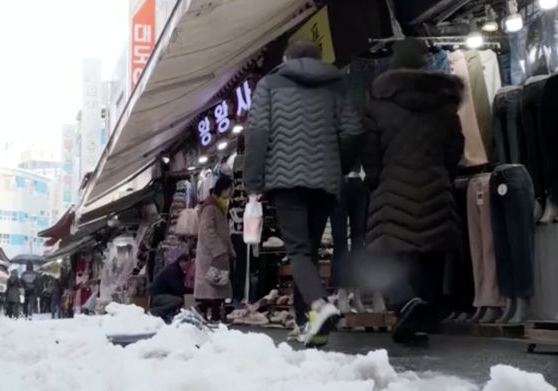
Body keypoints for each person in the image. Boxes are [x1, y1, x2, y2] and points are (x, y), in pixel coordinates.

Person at [243, 39, 363, 346]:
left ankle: (320, 307)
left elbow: (257, 133)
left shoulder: (269, 84)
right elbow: (352, 131)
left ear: (286, 58)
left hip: (285, 180)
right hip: (325, 180)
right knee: (307, 251)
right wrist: (340, 165)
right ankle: (305, 323)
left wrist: (253, 182)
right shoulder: (337, 84)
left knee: (298, 251)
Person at [360, 38, 464, 344]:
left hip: (392, 187)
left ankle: (406, 305)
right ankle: (416, 322)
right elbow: (455, 145)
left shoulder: (379, 98)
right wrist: (443, 172)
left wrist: (376, 178)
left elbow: (370, 146)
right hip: (434, 186)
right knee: (429, 253)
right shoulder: (444, 99)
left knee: (391, 255)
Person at [195, 175, 236, 322]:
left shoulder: (218, 206)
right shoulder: (210, 207)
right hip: (211, 255)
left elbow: (223, 233)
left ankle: (212, 313)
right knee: (213, 285)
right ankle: (206, 311)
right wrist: (219, 249)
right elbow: (207, 230)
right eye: (230, 188)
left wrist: (229, 251)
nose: (232, 192)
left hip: (217, 254)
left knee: (217, 286)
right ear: (223, 189)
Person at [150, 254, 191, 322]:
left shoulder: (175, 269)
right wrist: (192, 291)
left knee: (177, 301)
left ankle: (165, 314)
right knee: (178, 301)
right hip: (157, 296)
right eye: (188, 264)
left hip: (160, 295)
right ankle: (157, 311)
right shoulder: (173, 271)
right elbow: (178, 289)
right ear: (182, 262)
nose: (188, 267)